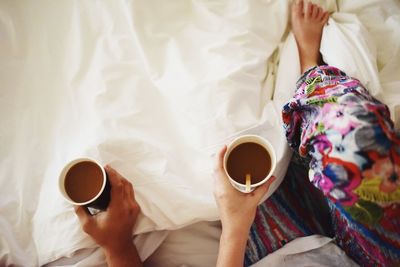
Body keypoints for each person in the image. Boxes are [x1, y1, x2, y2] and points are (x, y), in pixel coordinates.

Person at [75, 0, 400, 266]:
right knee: (364, 158)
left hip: (254, 247)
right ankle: (309, 77)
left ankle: (307, 96)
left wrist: (117, 247)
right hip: (360, 252)